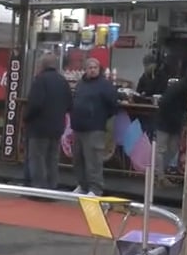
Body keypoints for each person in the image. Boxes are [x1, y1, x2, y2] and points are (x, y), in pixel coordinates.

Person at [68, 57, 119, 195]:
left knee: (94, 160)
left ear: (99, 69)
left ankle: (95, 189)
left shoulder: (105, 85)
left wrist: (100, 117)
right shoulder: (80, 84)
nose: (92, 70)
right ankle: (82, 185)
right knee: (78, 160)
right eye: (90, 67)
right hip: (78, 127)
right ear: (85, 69)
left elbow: (114, 105)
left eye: (95, 67)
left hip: (95, 127)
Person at [21, 54, 71, 191]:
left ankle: (39, 188)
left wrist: (26, 117)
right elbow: (69, 104)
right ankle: (51, 188)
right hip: (57, 127)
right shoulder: (63, 81)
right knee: (52, 159)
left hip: (39, 127)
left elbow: (35, 104)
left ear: (42, 66)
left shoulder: (40, 81)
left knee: (37, 159)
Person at [153, 75, 187, 179]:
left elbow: (164, 103)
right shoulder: (184, 88)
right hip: (169, 121)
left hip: (165, 120)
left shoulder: (178, 87)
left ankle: (160, 175)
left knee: (162, 149)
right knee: (171, 149)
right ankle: (160, 175)